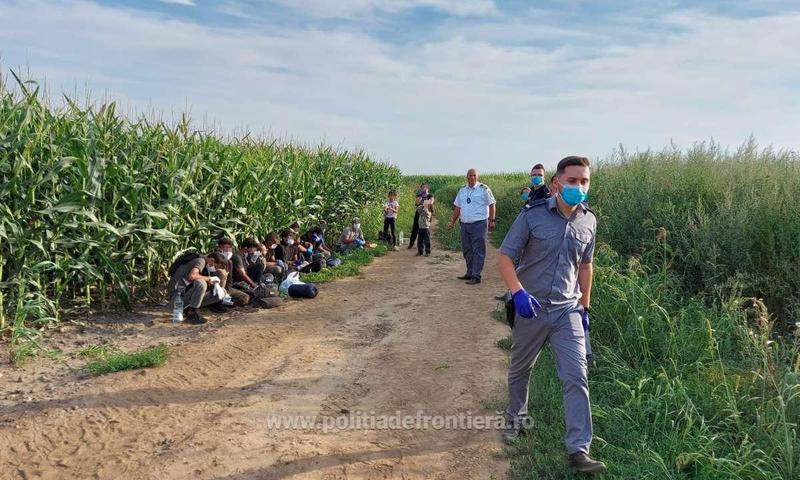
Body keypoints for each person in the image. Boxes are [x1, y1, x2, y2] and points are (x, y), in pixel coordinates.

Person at [496, 155, 605, 474]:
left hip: (567, 311)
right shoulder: (532, 216)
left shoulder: (589, 221)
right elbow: (505, 258)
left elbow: (586, 265)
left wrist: (585, 307)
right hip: (531, 307)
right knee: (521, 367)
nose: (579, 187)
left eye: (584, 181)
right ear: (557, 182)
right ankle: (515, 418)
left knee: (576, 376)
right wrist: (518, 292)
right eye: (572, 181)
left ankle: (579, 450)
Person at [447, 169, 496, 285]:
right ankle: (469, 272)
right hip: (465, 224)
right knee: (467, 250)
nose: (472, 177)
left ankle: (476, 275)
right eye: (470, 175)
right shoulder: (462, 190)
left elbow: (492, 204)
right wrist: (452, 222)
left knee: (478, 250)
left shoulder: (484, 189)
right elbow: (457, 207)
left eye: (474, 175)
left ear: (477, 177)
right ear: (467, 177)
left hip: (479, 224)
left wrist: (492, 220)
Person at [166, 251, 221, 324]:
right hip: (176, 300)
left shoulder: (202, 262)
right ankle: (192, 312)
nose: (215, 269)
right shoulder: (201, 261)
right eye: (215, 267)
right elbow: (192, 276)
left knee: (220, 293)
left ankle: (188, 308)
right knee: (201, 283)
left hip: (182, 297)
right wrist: (210, 278)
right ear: (212, 260)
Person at [408, 183, 433, 249]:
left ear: (427, 188)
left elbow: (430, 203)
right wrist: (421, 198)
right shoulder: (419, 195)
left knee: (425, 230)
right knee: (415, 228)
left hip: (426, 215)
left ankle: (426, 247)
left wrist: (423, 203)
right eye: (422, 187)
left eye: (425, 187)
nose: (423, 189)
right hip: (419, 213)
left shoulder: (430, 195)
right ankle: (411, 243)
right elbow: (416, 203)